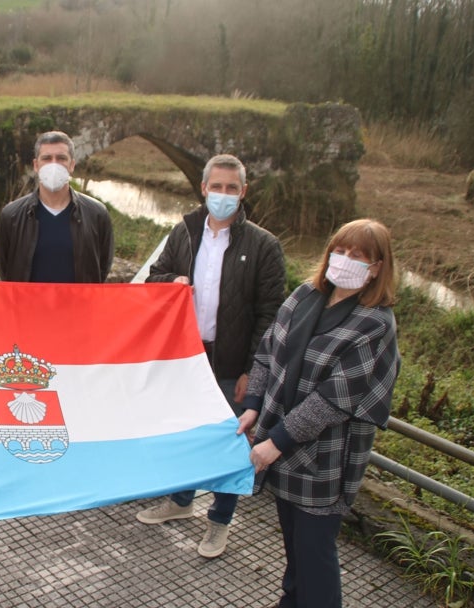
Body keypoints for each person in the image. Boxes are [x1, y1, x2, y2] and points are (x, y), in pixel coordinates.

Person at [243, 219, 400, 608]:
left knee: (316, 553)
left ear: (377, 266)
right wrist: (252, 407)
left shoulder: (375, 324)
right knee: (294, 544)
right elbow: (266, 353)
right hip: (279, 441)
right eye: (339, 250)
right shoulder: (303, 296)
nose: (344, 260)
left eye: (358, 256)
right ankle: (290, 600)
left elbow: (334, 399)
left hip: (324, 458)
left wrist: (274, 442)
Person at [135, 153, 285, 559]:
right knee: (184, 432)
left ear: (243, 192)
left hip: (231, 362)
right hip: (185, 355)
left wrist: (254, 371)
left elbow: (271, 315)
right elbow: (154, 277)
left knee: (227, 442)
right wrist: (173, 280)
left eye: (231, 188)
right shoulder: (184, 231)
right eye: (216, 187)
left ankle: (219, 521)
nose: (222, 195)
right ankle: (181, 501)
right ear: (203, 188)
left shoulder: (263, 245)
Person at [0, 130, 113, 282]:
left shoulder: (97, 214)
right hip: (29, 305)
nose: (54, 164)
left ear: (72, 165)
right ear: (36, 165)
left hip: (78, 305)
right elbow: (5, 268)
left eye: (61, 158)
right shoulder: (11, 216)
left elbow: (102, 267)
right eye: (47, 158)